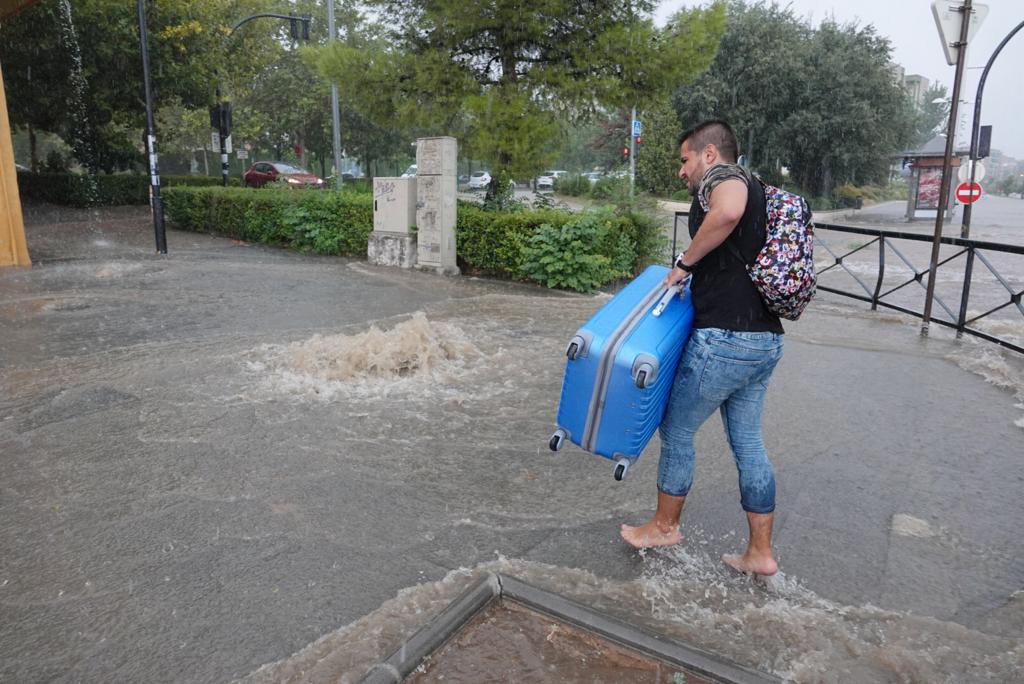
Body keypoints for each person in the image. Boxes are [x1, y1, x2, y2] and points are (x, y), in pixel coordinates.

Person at [620, 119, 785, 577]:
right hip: (765, 339)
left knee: (675, 430)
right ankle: (760, 553)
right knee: (749, 444)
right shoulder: (762, 189)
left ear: (709, 154)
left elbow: (727, 213)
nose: (682, 171)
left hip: (725, 338)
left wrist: (684, 263)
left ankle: (664, 526)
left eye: (685, 159)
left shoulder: (725, 179)